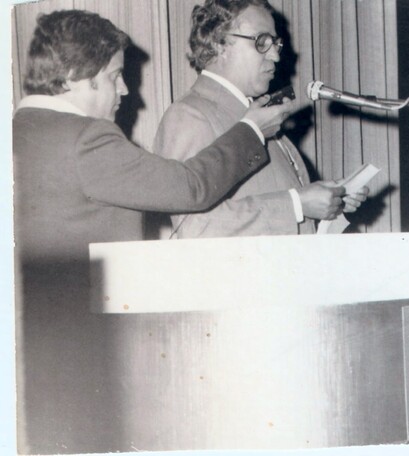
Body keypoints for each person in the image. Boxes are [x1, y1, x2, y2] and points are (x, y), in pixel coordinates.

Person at [12, 10, 299, 453]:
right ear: (73, 77)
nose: (125, 91)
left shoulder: (19, 132)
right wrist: (250, 130)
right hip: (87, 353)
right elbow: (191, 188)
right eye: (114, 76)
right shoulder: (85, 139)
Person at [154, 0, 368, 237]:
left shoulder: (258, 115)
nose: (275, 56)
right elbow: (193, 227)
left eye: (275, 43)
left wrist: (327, 200)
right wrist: (296, 204)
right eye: (261, 41)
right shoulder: (189, 115)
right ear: (219, 44)